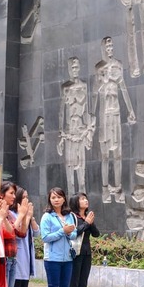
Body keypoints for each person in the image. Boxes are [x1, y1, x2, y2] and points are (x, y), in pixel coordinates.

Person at [93, 36, 136, 203]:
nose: (110, 47)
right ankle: (105, 189)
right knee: (105, 155)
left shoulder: (118, 65)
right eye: (107, 44)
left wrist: (130, 110)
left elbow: (123, 87)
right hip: (104, 115)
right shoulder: (99, 68)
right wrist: (91, 115)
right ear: (103, 47)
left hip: (116, 112)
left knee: (117, 154)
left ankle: (118, 188)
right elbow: (95, 92)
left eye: (112, 44)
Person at [40, 187, 77, 287]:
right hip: (52, 258)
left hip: (67, 257)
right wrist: (63, 231)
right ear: (49, 199)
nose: (56, 200)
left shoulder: (68, 216)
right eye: (53, 197)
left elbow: (74, 234)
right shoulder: (47, 217)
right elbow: (45, 237)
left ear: (64, 199)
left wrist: (69, 232)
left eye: (59, 197)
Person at [58, 57, 94, 196]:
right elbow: (61, 111)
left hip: (80, 130)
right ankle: (71, 200)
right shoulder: (65, 87)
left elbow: (86, 110)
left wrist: (89, 131)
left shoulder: (84, 86)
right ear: (69, 69)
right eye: (72, 67)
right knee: (70, 169)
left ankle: (83, 202)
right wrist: (60, 134)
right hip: (69, 132)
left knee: (81, 171)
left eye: (77, 66)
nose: (75, 69)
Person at [7, 187, 38, 287]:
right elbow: (18, 233)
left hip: (27, 258)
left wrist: (30, 217)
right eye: (23, 197)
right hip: (17, 257)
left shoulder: (25, 214)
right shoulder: (12, 215)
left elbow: (36, 233)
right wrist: (24, 216)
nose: (27, 199)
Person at [68, 193, 100, 287]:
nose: (85, 200)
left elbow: (96, 234)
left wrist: (90, 223)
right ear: (76, 202)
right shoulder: (72, 217)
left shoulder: (87, 217)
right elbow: (74, 233)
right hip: (76, 253)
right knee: (74, 283)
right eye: (82, 199)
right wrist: (86, 223)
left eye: (86, 198)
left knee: (83, 283)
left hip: (86, 253)